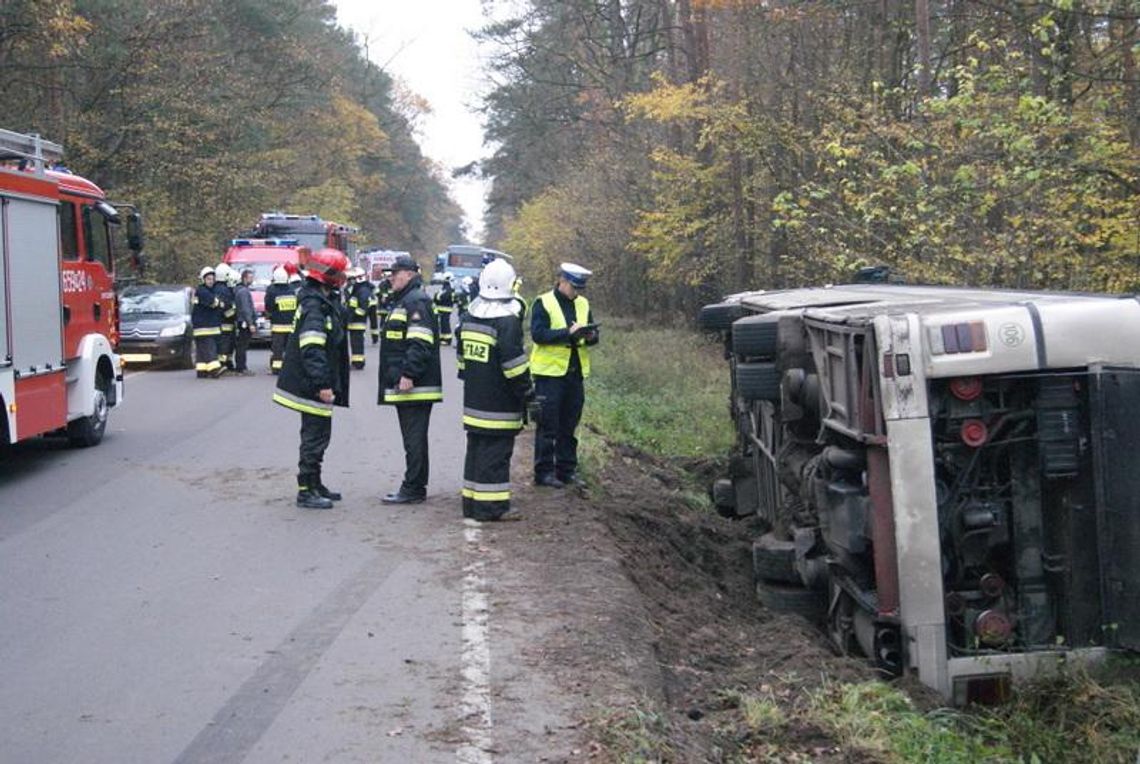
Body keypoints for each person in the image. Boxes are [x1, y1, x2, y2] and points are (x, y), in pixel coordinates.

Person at [272, 248, 351, 510]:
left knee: (320, 434)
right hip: (311, 385)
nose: (343, 278)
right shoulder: (315, 305)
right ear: (330, 275)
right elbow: (313, 348)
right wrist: (323, 384)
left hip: (314, 381)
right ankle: (306, 490)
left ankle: (315, 483)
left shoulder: (322, 298)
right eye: (340, 274)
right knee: (314, 437)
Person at [456, 259, 533, 521]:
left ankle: (471, 503)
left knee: (476, 452)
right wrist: (528, 395)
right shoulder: (507, 322)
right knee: (496, 456)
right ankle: (491, 508)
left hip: (474, 402)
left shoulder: (469, 316)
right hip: (499, 405)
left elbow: (462, 362)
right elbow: (514, 367)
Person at [377, 254, 442, 504]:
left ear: (409, 274)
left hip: (415, 386)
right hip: (409, 384)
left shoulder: (415, 301)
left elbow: (420, 342)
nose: (391, 278)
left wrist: (408, 374)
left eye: (396, 273)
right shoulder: (406, 300)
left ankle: (413, 487)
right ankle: (415, 484)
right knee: (412, 438)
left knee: (413, 439)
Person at [529, 262, 598, 488]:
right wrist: (567, 334)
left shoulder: (583, 303)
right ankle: (544, 472)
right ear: (563, 280)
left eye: (579, 288)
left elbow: (593, 334)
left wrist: (590, 336)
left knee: (569, 425)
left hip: (574, 374)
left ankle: (567, 470)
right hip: (549, 375)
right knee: (547, 425)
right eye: (573, 287)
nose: (576, 292)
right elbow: (538, 335)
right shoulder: (543, 302)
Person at [191, 266, 224, 378]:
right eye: (209, 279)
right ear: (203, 280)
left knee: (201, 350)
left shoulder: (204, 290)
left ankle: (202, 371)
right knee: (210, 348)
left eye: (212, 279)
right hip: (205, 327)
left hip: (202, 326)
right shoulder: (202, 291)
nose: (211, 281)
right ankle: (214, 370)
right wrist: (219, 302)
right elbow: (214, 303)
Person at [264, 266, 298, 374]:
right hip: (291, 325)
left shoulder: (272, 291)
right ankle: (290, 368)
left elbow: (268, 307)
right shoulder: (292, 290)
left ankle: (276, 368)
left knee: (277, 349)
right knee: (290, 348)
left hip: (277, 325)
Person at [345, 267, 374, 369]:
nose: (350, 282)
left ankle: (358, 363)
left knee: (357, 345)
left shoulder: (363, 291)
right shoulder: (358, 290)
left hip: (358, 323)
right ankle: (356, 362)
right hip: (354, 323)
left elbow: (363, 309)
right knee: (355, 344)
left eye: (351, 279)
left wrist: (351, 316)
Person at [213, 263, 237, 370]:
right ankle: (223, 364)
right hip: (226, 323)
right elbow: (227, 308)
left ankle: (226, 362)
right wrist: (235, 315)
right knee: (225, 345)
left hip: (217, 322)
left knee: (222, 345)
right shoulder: (225, 290)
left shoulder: (214, 288)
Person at [233, 267, 256, 375]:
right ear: (245, 278)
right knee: (242, 346)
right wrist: (250, 323)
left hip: (242, 321)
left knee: (241, 346)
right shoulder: (243, 292)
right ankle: (241, 368)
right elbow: (246, 309)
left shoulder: (240, 290)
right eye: (250, 277)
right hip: (244, 322)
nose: (252, 279)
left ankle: (241, 367)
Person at [433, 274, 456, 345]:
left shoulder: (447, 289)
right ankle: (443, 338)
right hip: (445, 309)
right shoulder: (447, 288)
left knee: (445, 324)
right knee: (443, 324)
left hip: (444, 309)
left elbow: (440, 297)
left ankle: (447, 339)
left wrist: (437, 298)